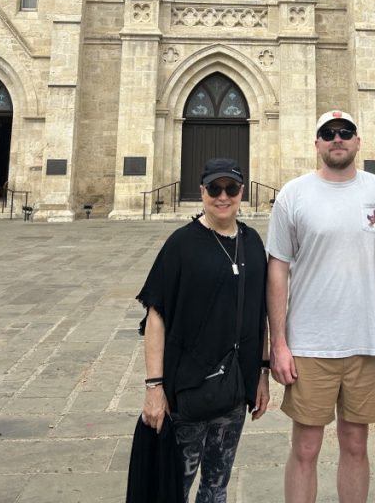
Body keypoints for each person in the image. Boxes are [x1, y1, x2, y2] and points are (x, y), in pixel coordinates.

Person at [266, 109, 375, 503]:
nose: (337, 138)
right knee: (305, 448)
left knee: (356, 444)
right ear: (316, 143)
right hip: (310, 344)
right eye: (328, 133)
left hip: (366, 342)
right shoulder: (293, 194)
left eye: (346, 132)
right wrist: (279, 344)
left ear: (358, 141)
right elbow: (277, 270)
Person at [137, 159, 269, 502]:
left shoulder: (253, 243)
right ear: (202, 192)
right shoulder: (181, 244)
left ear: (242, 192)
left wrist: (262, 374)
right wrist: (154, 388)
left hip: (234, 390)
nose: (222, 196)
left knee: (216, 487)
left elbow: (260, 314)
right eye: (214, 188)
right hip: (187, 391)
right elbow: (156, 316)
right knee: (173, 487)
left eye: (231, 189)